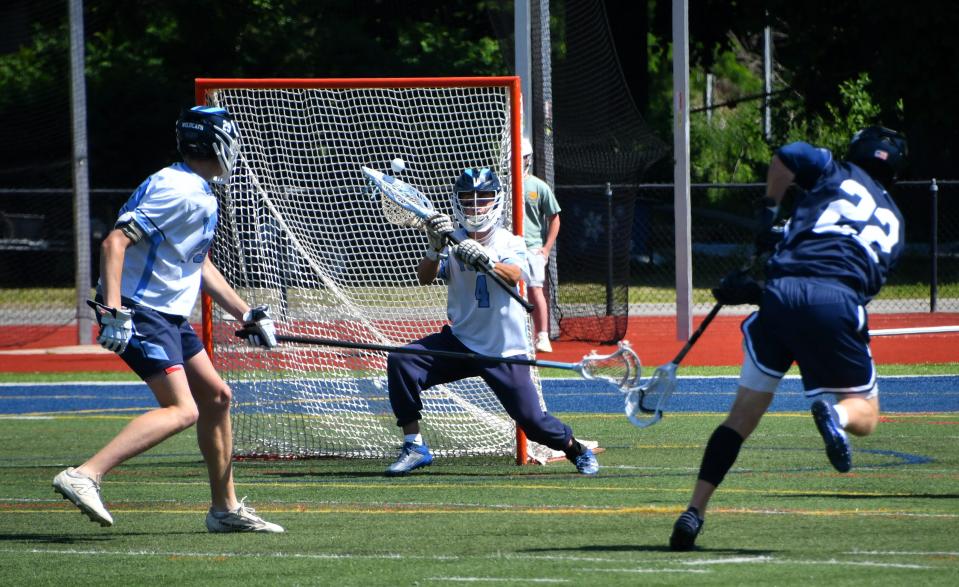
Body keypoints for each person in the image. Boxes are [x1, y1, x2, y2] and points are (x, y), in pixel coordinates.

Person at [669, 126, 908, 551]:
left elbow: (787, 155)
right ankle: (836, 418)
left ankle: (694, 511)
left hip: (780, 298)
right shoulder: (895, 223)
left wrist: (767, 213)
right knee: (866, 415)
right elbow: (837, 272)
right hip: (836, 302)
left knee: (740, 418)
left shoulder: (834, 171)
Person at [52, 106, 285, 533]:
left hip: (169, 315)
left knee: (216, 397)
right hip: (143, 309)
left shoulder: (197, 189)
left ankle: (225, 510)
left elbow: (197, 263)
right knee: (182, 410)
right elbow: (114, 244)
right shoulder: (177, 188)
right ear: (217, 144)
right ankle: (86, 474)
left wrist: (246, 313)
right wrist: (114, 310)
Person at [384, 166, 598, 477]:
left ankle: (576, 449)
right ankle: (414, 445)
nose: (475, 205)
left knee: (534, 423)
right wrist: (433, 249)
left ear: (495, 201)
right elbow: (424, 277)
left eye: (482, 198)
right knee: (402, 361)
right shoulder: (452, 242)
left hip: (503, 350)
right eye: (468, 199)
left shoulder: (509, 242)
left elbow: (513, 275)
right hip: (460, 342)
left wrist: (484, 258)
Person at [521, 138, 561, 353]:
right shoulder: (500, 185)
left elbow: (554, 217)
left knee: (535, 289)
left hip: (532, 246)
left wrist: (546, 248)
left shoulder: (538, 186)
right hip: (508, 246)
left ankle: (542, 335)